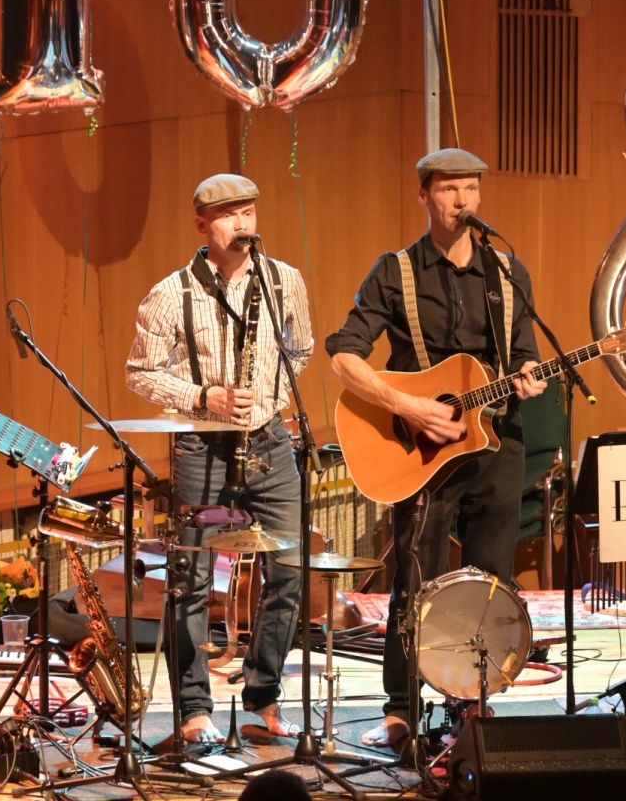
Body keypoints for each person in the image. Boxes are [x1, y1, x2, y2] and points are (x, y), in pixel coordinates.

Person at [326, 147, 547, 749]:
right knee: (414, 581)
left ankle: (474, 705)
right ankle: (400, 709)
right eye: (450, 189)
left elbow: (524, 352)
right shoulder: (395, 271)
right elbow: (344, 354)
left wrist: (529, 375)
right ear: (424, 195)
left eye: (471, 188)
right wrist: (407, 406)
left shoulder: (507, 271)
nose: (462, 200)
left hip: (496, 444)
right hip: (421, 452)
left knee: (492, 583)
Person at [126, 174, 313, 744]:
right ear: (202, 224)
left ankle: (263, 694)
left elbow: (301, 349)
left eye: (248, 212)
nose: (242, 224)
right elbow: (140, 373)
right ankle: (193, 709)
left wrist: (270, 398)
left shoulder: (285, 281)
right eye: (229, 215)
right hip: (201, 446)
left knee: (289, 570)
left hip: (269, 442)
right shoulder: (170, 293)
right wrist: (202, 397)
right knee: (191, 580)